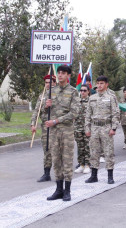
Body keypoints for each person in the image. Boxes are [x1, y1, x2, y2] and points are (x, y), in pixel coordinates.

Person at [44, 65, 80, 202]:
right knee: (56, 160)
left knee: (67, 160)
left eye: (63, 73)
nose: (60, 75)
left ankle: (67, 191)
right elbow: (43, 112)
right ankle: (58, 190)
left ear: (68, 76)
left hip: (66, 131)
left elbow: (74, 112)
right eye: (58, 73)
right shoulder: (51, 91)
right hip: (53, 132)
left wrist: (56, 121)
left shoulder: (73, 92)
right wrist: (46, 106)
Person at [85, 75, 120, 184]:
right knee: (94, 151)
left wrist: (113, 128)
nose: (99, 85)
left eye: (102, 83)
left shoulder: (111, 97)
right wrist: (87, 128)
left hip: (106, 127)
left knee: (108, 152)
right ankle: (94, 175)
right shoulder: (92, 98)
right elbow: (88, 114)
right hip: (94, 127)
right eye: (98, 83)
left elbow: (116, 113)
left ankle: (110, 175)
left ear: (106, 85)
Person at [31, 74, 56, 183]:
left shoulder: (58, 95)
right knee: (46, 150)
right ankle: (46, 174)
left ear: (54, 83)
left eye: (49, 83)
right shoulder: (42, 96)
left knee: (57, 150)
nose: (47, 85)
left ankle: (61, 174)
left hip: (57, 127)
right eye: (46, 83)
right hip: (45, 127)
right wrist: (33, 124)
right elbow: (36, 110)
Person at [74, 84, 91, 174]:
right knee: (80, 148)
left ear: (88, 91)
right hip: (77, 128)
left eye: (85, 90)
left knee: (87, 147)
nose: (82, 92)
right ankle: (81, 164)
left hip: (87, 128)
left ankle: (88, 165)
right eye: (81, 90)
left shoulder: (91, 102)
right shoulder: (77, 102)